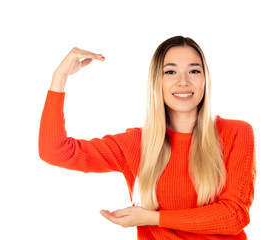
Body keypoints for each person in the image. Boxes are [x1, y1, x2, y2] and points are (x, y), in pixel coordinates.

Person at [39, 36, 256, 239]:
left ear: (205, 79)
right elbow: (54, 152)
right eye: (170, 72)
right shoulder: (136, 143)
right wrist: (60, 78)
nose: (183, 81)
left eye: (194, 71)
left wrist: (152, 218)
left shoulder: (236, 133)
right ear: (156, 81)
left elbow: (234, 216)